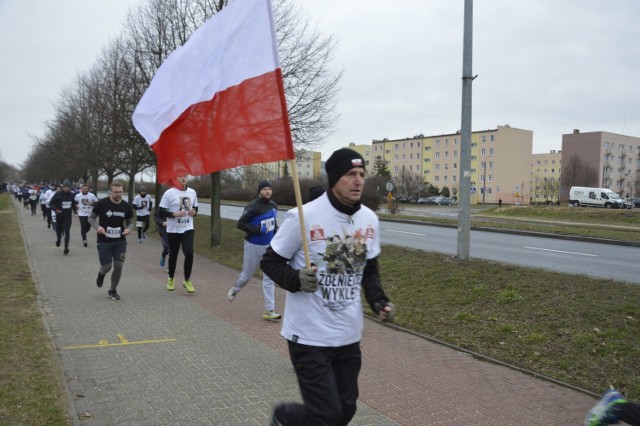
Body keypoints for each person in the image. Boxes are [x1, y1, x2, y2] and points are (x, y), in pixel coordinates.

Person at [261, 148, 396, 426]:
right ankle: (284, 417)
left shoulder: (369, 220)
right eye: (350, 174)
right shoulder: (304, 216)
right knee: (326, 415)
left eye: (361, 174)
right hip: (309, 336)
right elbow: (270, 262)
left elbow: (369, 270)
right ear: (333, 179)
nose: (358, 180)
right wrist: (295, 279)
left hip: (347, 334)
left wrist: (379, 301)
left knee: (345, 411)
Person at [227, 180, 281, 320]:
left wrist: (278, 234)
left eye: (269, 189)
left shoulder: (274, 206)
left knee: (269, 278)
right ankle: (235, 289)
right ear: (259, 192)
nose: (267, 191)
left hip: (268, 246)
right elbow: (240, 224)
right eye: (264, 189)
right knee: (247, 275)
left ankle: (269, 311)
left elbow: (274, 226)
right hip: (253, 245)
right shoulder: (252, 206)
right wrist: (258, 229)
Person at [88, 181, 134, 300]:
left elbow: (130, 222)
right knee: (107, 267)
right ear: (110, 192)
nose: (118, 194)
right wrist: (98, 227)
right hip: (104, 241)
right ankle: (101, 273)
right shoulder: (102, 203)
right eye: (116, 192)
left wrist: (129, 229)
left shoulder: (126, 206)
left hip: (120, 241)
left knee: (118, 265)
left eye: (120, 192)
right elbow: (91, 218)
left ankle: (112, 290)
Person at [158, 175, 198, 293]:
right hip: (173, 229)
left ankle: (187, 280)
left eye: (185, 176)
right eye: (180, 176)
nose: (183, 178)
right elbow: (161, 212)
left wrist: (194, 212)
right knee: (173, 254)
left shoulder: (192, 192)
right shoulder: (169, 193)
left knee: (189, 253)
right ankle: (171, 278)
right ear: (175, 179)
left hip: (187, 228)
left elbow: (196, 207)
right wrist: (174, 214)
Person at [49, 180, 77, 255]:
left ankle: (66, 248)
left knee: (67, 231)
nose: (66, 189)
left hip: (68, 216)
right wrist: (56, 209)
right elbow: (51, 203)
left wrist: (75, 211)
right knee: (58, 230)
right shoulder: (58, 194)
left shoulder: (72, 195)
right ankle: (58, 239)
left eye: (68, 188)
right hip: (59, 215)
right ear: (62, 187)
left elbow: (73, 203)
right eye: (65, 187)